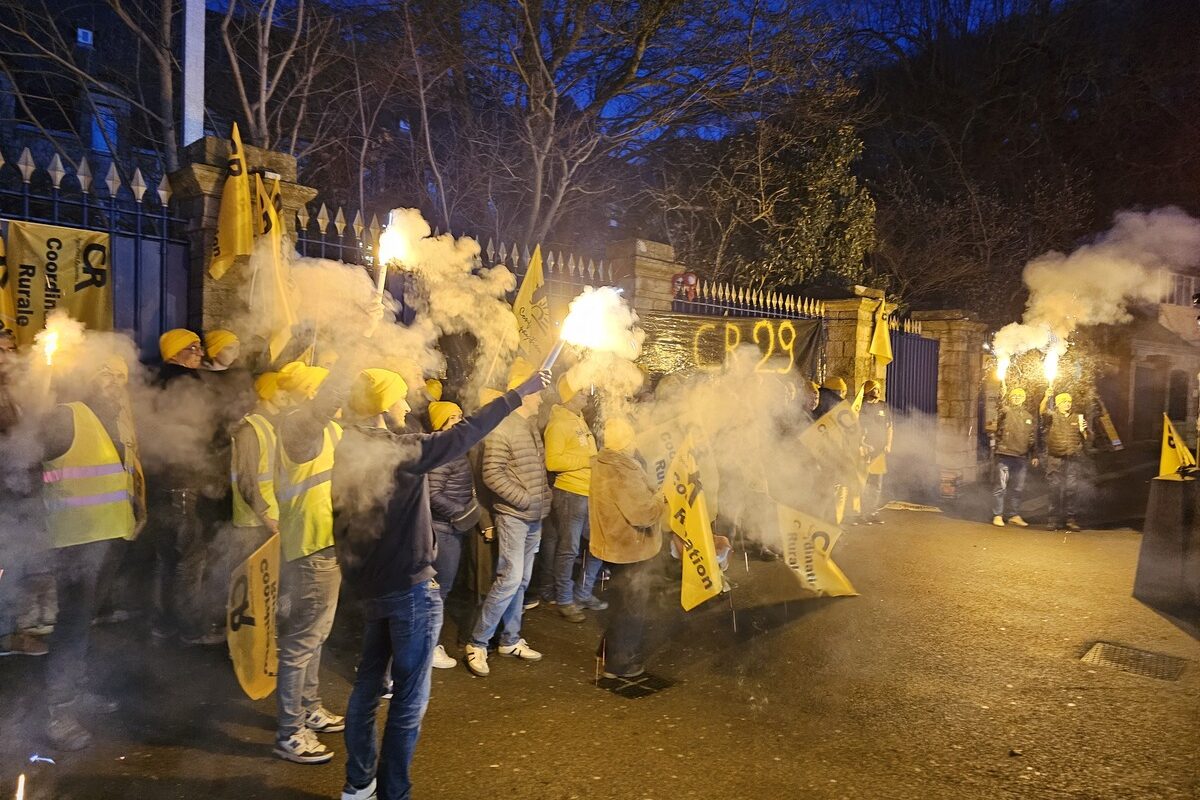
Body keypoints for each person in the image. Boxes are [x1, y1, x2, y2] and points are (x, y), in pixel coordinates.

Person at [332, 365, 549, 800]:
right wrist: (515, 396)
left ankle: (358, 785)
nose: (405, 404)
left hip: (373, 586)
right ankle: (394, 792)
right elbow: (464, 434)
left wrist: (355, 577)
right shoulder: (399, 450)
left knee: (368, 688)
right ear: (380, 407)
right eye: (397, 397)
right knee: (409, 700)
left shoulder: (349, 447)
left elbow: (342, 523)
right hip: (409, 588)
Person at [39, 369, 138, 750]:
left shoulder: (107, 419)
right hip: (76, 542)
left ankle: (75, 694)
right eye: (107, 378)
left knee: (84, 621)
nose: (117, 386)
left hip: (108, 537)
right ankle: (57, 712)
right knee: (73, 624)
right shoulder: (64, 416)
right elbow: (25, 467)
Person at [272, 361, 345, 764]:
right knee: (301, 642)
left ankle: (309, 707)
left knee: (315, 636)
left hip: (327, 544)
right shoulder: (300, 424)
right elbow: (326, 402)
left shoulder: (329, 429)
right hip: (309, 547)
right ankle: (289, 731)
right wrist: (357, 341)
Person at [464, 359, 554, 678]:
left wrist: (542, 498)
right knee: (510, 579)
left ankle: (510, 639)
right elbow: (492, 473)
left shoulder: (530, 426)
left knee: (522, 581)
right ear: (524, 395)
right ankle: (477, 642)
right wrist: (524, 498)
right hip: (515, 516)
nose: (540, 399)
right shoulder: (502, 427)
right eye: (536, 394)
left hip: (534, 517)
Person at [149, 328, 226, 645]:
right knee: (190, 561)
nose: (200, 353)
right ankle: (191, 627)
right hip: (183, 484)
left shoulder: (154, 385)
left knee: (167, 559)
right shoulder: (188, 384)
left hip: (161, 486)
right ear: (175, 353)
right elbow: (210, 433)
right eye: (192, 348)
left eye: (200, 347)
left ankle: (164, 622)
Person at [588, 418, 665, 678]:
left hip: (614, 543)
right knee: (632, 606)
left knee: (621, 600)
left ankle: (607, 652)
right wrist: (660, 499)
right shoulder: (623, 468)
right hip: (630, 547)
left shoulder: (603, 461)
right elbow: (642, 513)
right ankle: (620, 664)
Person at [543, 373, 605, 623]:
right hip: (570, 493)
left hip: (587, 493)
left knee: (598, 545)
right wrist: (588, 461)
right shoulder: (558, 424)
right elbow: (553, 461)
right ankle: (565, 599)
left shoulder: (577, 419)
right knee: (568, 548)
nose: (586, 395)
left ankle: (582, 593)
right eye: (581, 391)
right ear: (569, 396)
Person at [426, 399, 481, 669]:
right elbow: (433, 493)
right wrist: (459, 512)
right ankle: (430, 646)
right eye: (451, 418)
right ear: (440, 424)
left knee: (439, 589)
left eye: (460, 415)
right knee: (439, 590)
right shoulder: (444, 451)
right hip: (444, 530)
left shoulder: (453, 448)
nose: (458, 421)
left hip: (450, 529)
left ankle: (427, 643)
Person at [226, 371, 284, 570]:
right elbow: (247, 478)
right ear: (267, 393)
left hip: (267, 520)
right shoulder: (250, 429)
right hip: (254, 524)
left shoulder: (268, 426)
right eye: (279, 388)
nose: (285, 393)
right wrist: (266, 516)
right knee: (252, 585)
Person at [1041, 390, 1089, 531]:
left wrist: (1085, 431)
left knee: (1071, 489)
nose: (1067, 404)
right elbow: (1042, 411)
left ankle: (1070, 519)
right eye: (1064, 402)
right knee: (1054, 488)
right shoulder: (1052, 416)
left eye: (1069, 402)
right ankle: (1052, 520)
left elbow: (1085, 438)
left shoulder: (1077, 418)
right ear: (1058, 404)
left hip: (1072, 458)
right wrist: (1046, 397)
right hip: (1055, 458)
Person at [990, 387, 1037, 527]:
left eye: (1019, 396)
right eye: (1014, 395)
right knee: (1001, 487)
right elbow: (999, 408)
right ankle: (997, 515)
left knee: (1017, 488)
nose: (1016, 398)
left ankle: (1013, 515)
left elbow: (1031, 437)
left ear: (1023, 398)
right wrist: (1002, 392)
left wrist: (1034, 454)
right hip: (1004, 454)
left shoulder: (1028, 417)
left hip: (1021, 456)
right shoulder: (1005, 411)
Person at [858, 380, 893, 524]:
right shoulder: (861, 407)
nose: (876, 392)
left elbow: (889, 426)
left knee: (876, 483)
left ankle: (872, 511)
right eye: (873, 389)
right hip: (865, 450)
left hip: (879, 450)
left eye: (878, 389)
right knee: (862, 482)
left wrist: (888, 444)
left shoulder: (883, 406)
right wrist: (861, 444)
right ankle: (860, 512)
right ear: (867, 391)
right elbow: (857, 427)